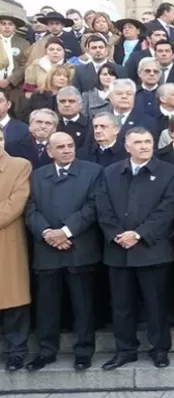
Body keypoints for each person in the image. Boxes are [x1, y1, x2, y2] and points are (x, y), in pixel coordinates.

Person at [96, 127, 174, 370]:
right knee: (121, 306)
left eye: (148, 141)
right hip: (118, 249)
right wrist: (116, 235)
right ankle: (125, 350)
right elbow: (103, 208)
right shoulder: (111, 172)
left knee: (156, 304)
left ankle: (159, 349)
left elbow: (167, 210)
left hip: (152, 250)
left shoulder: (168, 172)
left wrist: (139, 234)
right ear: (127, 146)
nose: (144, 146)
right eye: (138, 142)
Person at [23, 132, 102, 371]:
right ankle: (46, 351)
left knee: (83, 305)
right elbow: (30, 209)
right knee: (47, 306)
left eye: (70, 145)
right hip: (47, 249)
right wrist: (48, 233)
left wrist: (66, 232)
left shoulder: (93, 171)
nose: (67, 150)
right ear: (49, 152)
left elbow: (92, 206)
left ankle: (84, 351)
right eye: (61, 147)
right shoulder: (36, 176)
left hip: (79, 247)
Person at [0, 127, 32, 371]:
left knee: (13, 301)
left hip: (7, 242)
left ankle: (16, 352)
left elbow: (16, 204)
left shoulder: (20, 166)